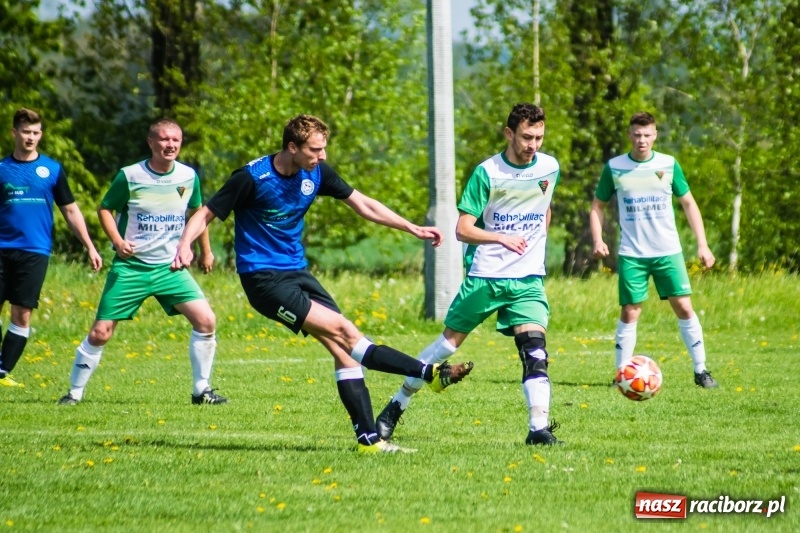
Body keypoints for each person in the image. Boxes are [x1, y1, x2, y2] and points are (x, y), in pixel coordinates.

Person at [174, 114, 473, 453]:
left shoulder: (316, 173)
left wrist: (412, 227)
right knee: (347, 332)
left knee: (345, 351)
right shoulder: (251, 178)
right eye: (315, 150)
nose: (323, 156)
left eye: (323, 149)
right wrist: (185, 245)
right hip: (264, 280)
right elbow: (204, 214)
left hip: (297, 273)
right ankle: (429, 373)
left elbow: (363, 204)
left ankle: (369, 442)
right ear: (292, 147)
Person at [376, 103, 563, 446]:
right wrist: (501, 238)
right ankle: (394, 407)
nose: (533, 145)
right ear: (509, 134)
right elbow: (463, 229)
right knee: (447, 346)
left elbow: (544, 208)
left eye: (539, 137)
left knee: (535, 351)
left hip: (527, 279)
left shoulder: (549, 167)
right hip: (486, 276)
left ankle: (538, 429)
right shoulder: (487, 172)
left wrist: (536, 247)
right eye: (526, 137)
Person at [58, 118, 226, 405]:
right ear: (151, 142)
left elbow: (198, 213)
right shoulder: (130, 175)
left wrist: (205, 251)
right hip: (131, 267)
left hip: (170, 268)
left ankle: (202, 391)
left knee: (206, 320)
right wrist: (118, 242)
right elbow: (105, 209)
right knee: (100, 333)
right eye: (163, 139)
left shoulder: (188, 176)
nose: (170, 145)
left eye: (175, 139)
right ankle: (74, 393)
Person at [589, 111, 719, 388]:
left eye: (647, 135)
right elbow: (597, 206)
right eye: (637, 134)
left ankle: (701, 371)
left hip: (667, 251)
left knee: (683, 306)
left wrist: (702, 244)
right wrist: (598, 239)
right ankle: (622, 375)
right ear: (629, 135)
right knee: (630, 312)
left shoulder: (668, 164)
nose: (642, 140)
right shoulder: (615, 167)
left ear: (655, 135)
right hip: (632, 254)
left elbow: (689, 203)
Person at [0, 108, 103, 387]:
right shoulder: (2, 169)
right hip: (1, 247)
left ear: (41, 135)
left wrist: (90, 246)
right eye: (26, 132)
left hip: (35, 250)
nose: (30, 137)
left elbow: (70, 211)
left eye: (35, 133)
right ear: (14, 133)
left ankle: (2, 372)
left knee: (22, 314)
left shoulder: (52, 170)